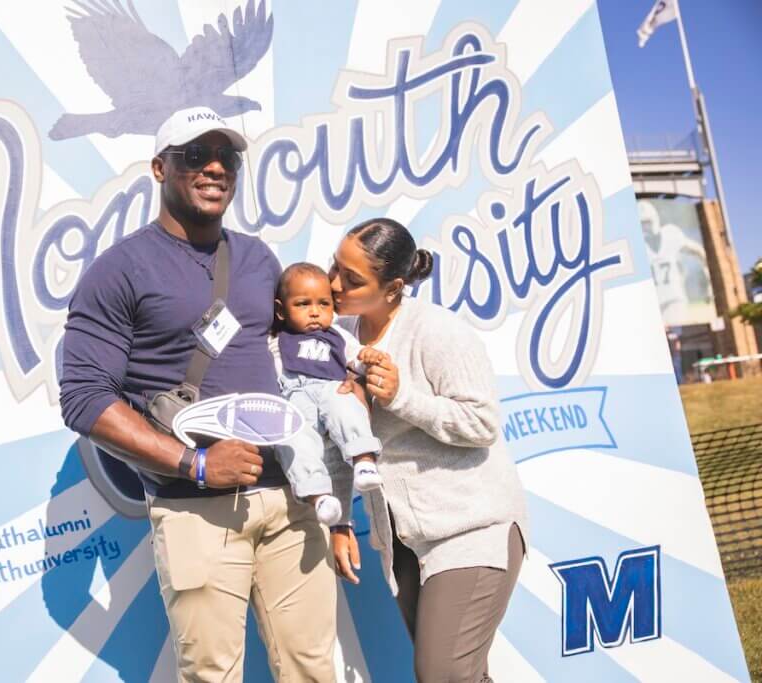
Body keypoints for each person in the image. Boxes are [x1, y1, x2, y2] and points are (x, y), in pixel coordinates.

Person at [58, 106, 336, 682]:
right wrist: (198, 463)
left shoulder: (259, 258)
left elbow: (299, 358)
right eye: (195, 156)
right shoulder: (119, 271)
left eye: (227, 157)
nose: (214, 168)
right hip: (196, 509)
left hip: (288, 500)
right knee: (213, 675)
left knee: (313, 670)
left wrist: (354, 372)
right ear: (160, 168)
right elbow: (84, 399)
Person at [327, 218, 528, 683]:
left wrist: (402, 398)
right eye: (334, 268)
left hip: (471, 530)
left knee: (443, 675)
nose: (335, 285)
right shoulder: (340, 338)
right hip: (402, 544)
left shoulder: (437, 332)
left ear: (394, 287)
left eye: (352, 280)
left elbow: (481, 423)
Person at [271, 262, 383, 527]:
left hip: (331, 387)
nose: (314, 313)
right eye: (302, 304)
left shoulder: (338, 336)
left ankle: (364, 461)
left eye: (323, 304)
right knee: (294, 440)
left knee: (347, 407)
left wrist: (367, 358)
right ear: (280, 310)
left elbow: (357, 358)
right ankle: (319, 496)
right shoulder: (275, 340)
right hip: (295, 398)